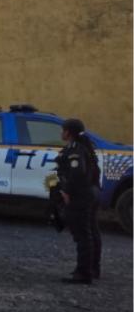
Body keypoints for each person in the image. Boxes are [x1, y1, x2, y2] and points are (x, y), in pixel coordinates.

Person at [56, 118, 102, 284]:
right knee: (91, 231)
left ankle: (83, 274)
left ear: (68, 132)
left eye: (63, 130)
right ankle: (93, 268)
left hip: (80, 195)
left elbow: (77, 173)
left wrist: (67, 192)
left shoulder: (76, 149)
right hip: (92, 192)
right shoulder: (86, 147)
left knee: (82, 235)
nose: (61, 133)